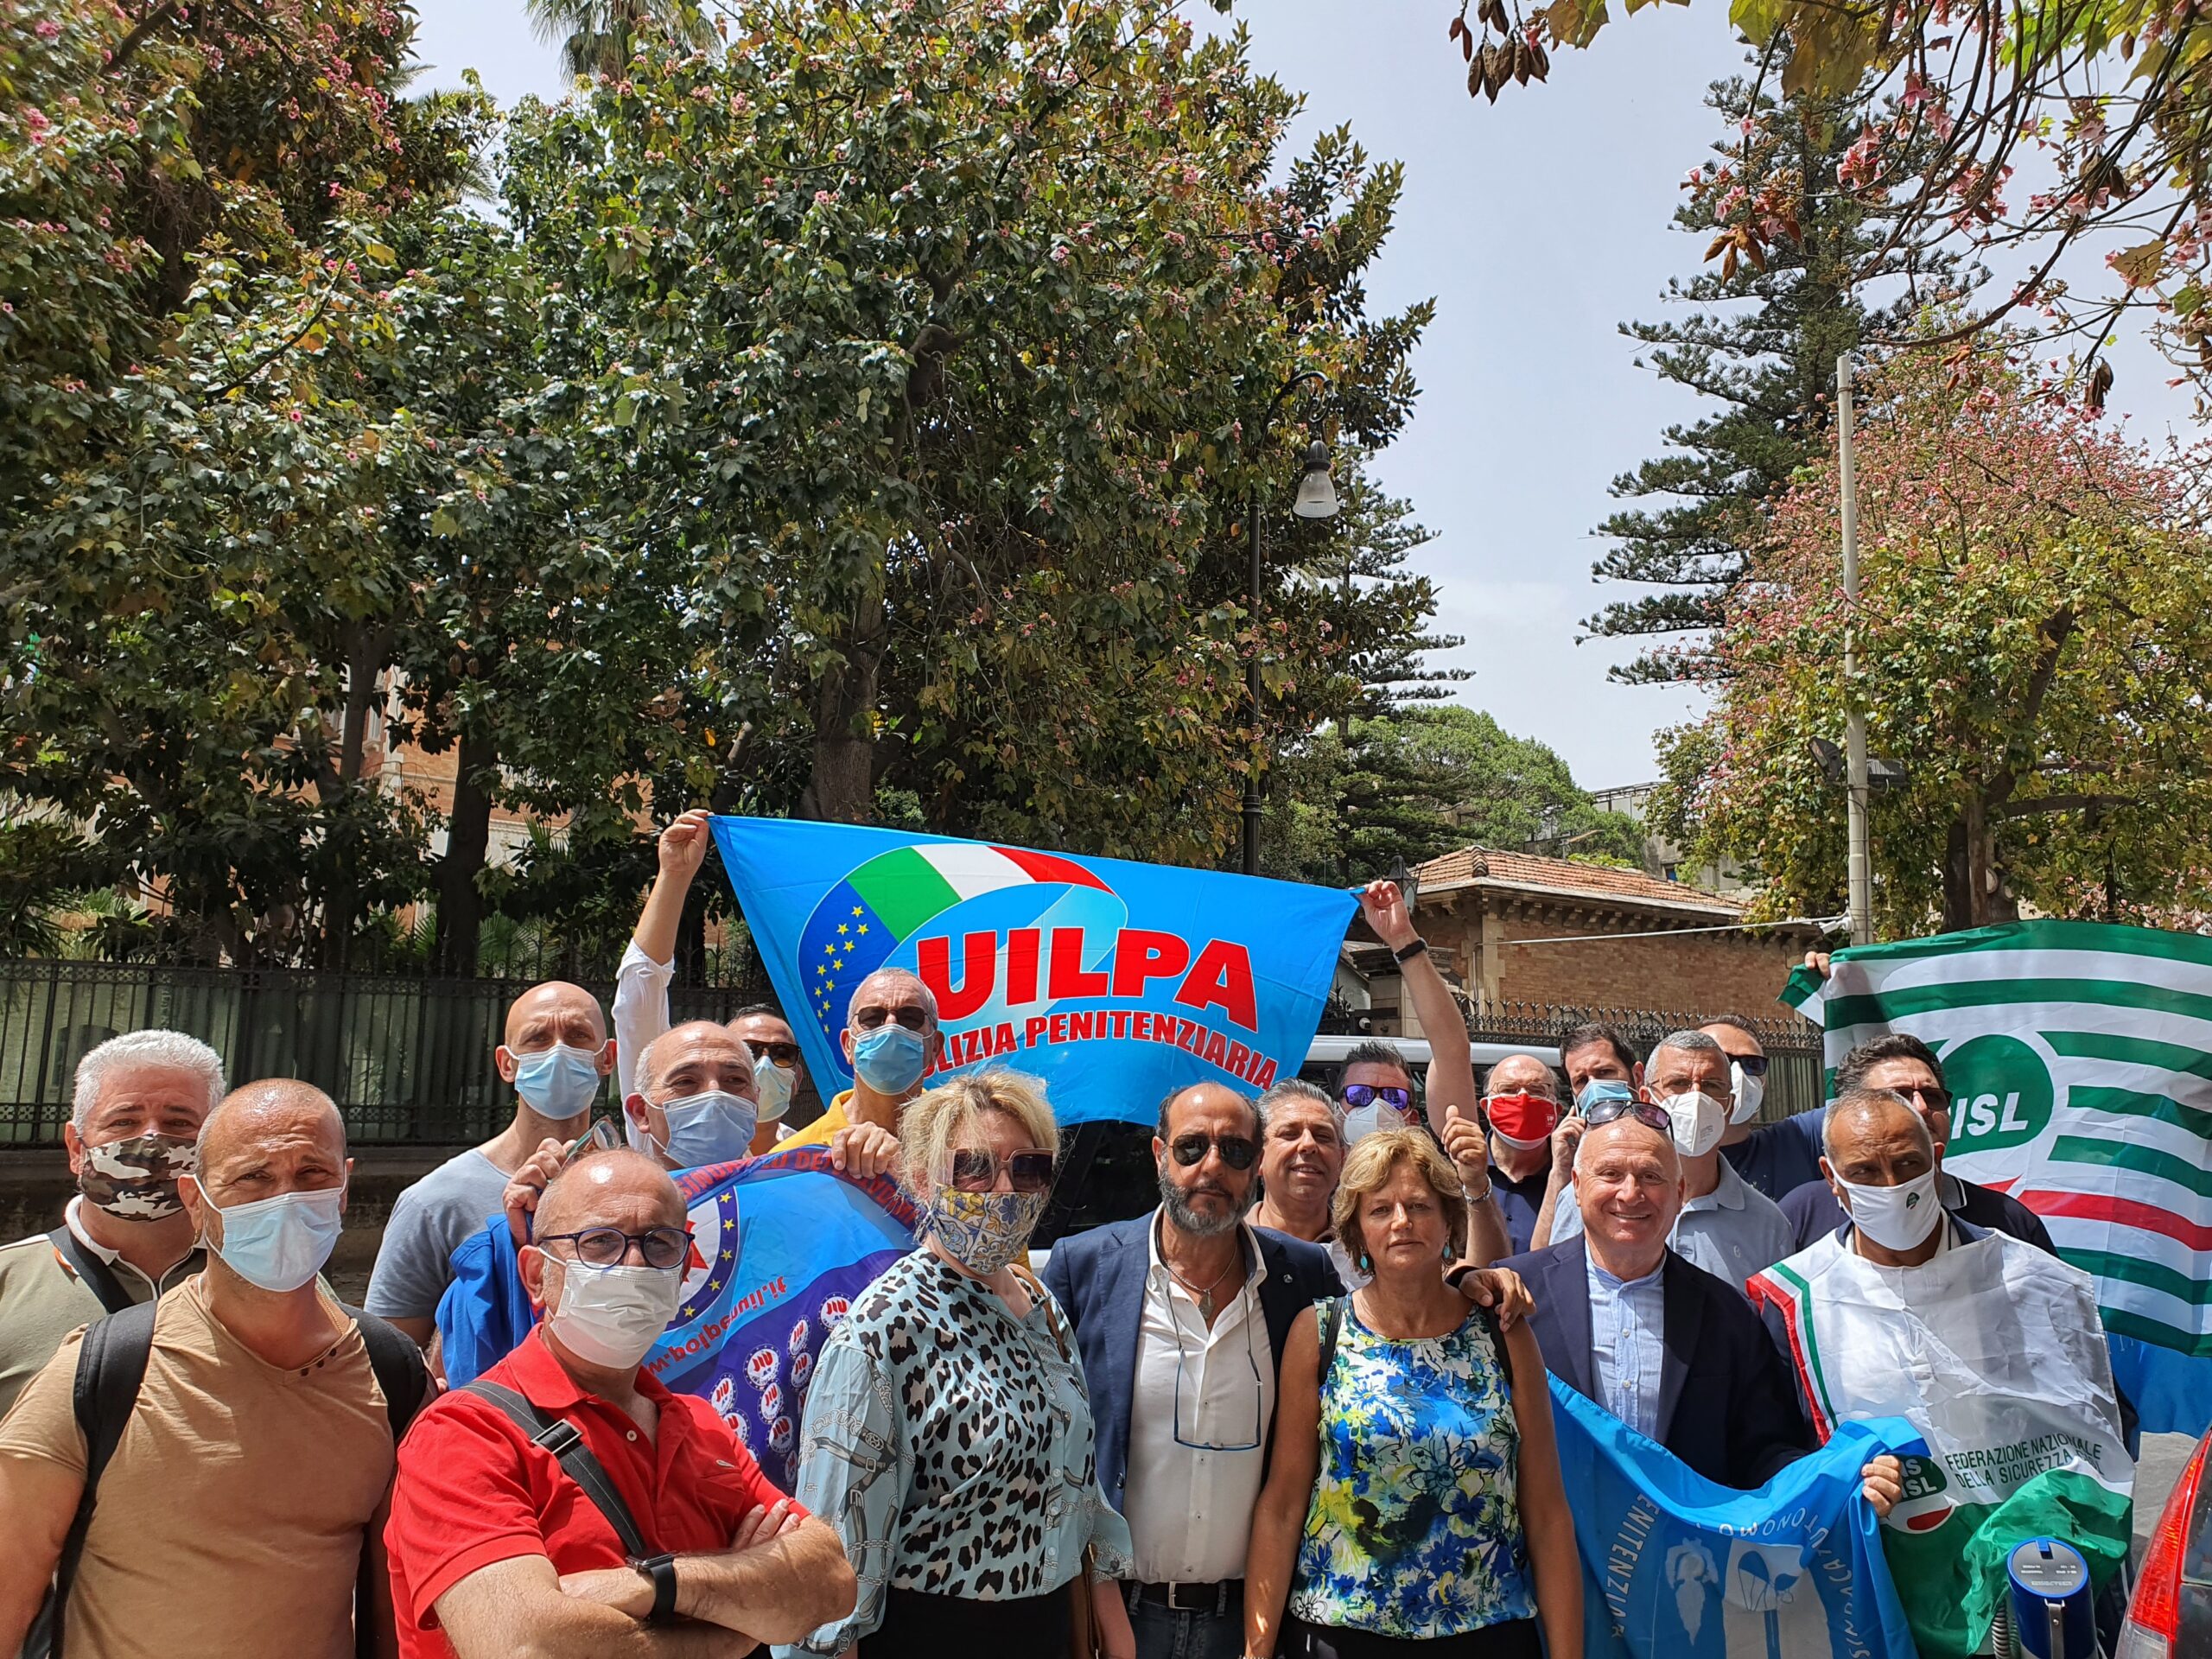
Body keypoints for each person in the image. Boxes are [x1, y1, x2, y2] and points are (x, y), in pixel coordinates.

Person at [1046, 1083, 1533, 1659]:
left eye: (1233, 1151)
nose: (1211, 1167)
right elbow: (1056, 1450)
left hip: (1249, 1618)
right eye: (1191, 1147)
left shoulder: (1298, 1275)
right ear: (1159, 1154)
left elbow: (1389, 1312)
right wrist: (1094, 1606)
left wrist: (1467, 1281)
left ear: (1256, 1164)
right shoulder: (1086, 1268)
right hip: (1120, 1619)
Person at [0, 1079, 428, 1659]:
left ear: (345, 1186)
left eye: (312, 1175)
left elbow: (396, 1605)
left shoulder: (390, 1373)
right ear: (196, 1200)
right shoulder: (103, 1372)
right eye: (254, 1177)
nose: (284, 1199)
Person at [383, 1147, 856, 1658]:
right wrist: (728, 1631)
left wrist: (659, 1585)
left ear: (682, 1275)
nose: (634, 1262)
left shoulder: (699, 1424)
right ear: (537, 1277)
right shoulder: (465, 1434)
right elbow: (526, 1645)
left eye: (660, 1243)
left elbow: (830, 1582)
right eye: (600, 1242)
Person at [788, 1071, 1138, 1656]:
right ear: (923, 1180)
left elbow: (1078, 1488)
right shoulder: (881, 1332)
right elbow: (838, 1555)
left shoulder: (1042, 1307)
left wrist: (1115, 1635)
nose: (1003, 1188)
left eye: (1027, 1168)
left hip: (1048, 1630)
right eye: (975, 1166)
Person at [1243, 1129, 1581, 1659]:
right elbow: (1283, 1503)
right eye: (1380, 1210)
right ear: (1357, 1230)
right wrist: (1256, 1649)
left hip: (1486, 1633)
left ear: (1449, 1222)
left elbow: (1546, 1511)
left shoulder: (1502, 1333)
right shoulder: (1321, 1332)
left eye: (1419, 1206)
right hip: (1341, 1634)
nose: (1401, 1222)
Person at [1497, 1103, 1822, 1491]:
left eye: (1651, 1176)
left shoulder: (1731, 1314)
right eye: (1611, 1174)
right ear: (1578, 1188)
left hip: (1684, 1547)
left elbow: (1763, 1449)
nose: (1631, 1194)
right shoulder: (1512, 1295)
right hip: (1550, 1544)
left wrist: (1834, 1483)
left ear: (1679, 1193)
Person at [367, 979, 616, 1344]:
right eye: (537, 1039)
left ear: (607, 1058)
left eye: (578, 1035)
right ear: (506, 1065)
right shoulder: (435, 1202)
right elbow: (391, 1356)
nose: (558, 1051)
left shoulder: (635, 1191)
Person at [0, 1028, 225, 1416]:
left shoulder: (273, 1279)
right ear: (76, 1148)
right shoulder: (8, 1282)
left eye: (180, 1122)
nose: (153, 1140)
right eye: (124, 1122)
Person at [1538, 1030, 1796, 1287]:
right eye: (1679, 1084)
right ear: (1647, 1098)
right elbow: (1558, 1290)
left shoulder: (1767, 1225)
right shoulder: (1595, 1197)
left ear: (1728, 1105)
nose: (1696, 1097)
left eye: (1711, 1085)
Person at [613, 808, 804, 1151]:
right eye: (747, 1050)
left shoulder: (813, 1162)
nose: (715, 1091)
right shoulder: (656, 1145)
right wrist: (674, 875)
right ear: (641, 1110)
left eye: (780, 1053)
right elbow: (638, 1000)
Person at [1776, 1033, 2058, 1252]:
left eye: (1933, 1096)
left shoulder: (2009, 1222)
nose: (1921, 1107)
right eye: (1898, 1096)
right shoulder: (1802, 1215)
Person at [773, 966, 944, 1156]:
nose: (891, 1027)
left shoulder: (963, 1143)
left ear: (935, 1047)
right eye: (871, 1018)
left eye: (910, 1018)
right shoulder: (789, 1158)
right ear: (848, 1046)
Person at [1707, 1016, 1825, 1201]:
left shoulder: (1799, 1141)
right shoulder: (1657, 1164)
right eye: (1723, 1061)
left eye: (1752, 1064)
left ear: (1764, 1084)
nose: (1738, 1074)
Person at [1471, 1052, 1570, 1254]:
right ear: (1486, 1107)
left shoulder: (1576, 1178)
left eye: (1536, 1090)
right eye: (1508, 1089)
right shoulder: (1461, 1172)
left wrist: (1561, 1174)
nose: (1523, 1097)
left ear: (1556, 1110)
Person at [1248, 1078, 1347, 1245]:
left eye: (1323, 1137)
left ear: (1342, 1159)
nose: (1308, 1144)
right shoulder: (1225, 1247)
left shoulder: (1368, 1251)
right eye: (1289, 1134)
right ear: (1258, 1158)